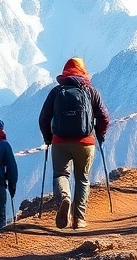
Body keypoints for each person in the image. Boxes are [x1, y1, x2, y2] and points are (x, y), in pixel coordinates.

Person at [38, 57, 110, 230]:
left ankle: (65, 197)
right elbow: (104, 117)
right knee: (82, 179)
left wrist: (48, 137)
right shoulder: (91, 91)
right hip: (85, 142)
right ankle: (79, 220)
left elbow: (43, 118)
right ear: (84, 71)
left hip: (60, 142)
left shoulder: (56, 92)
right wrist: (100, 133)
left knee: (60, 174)